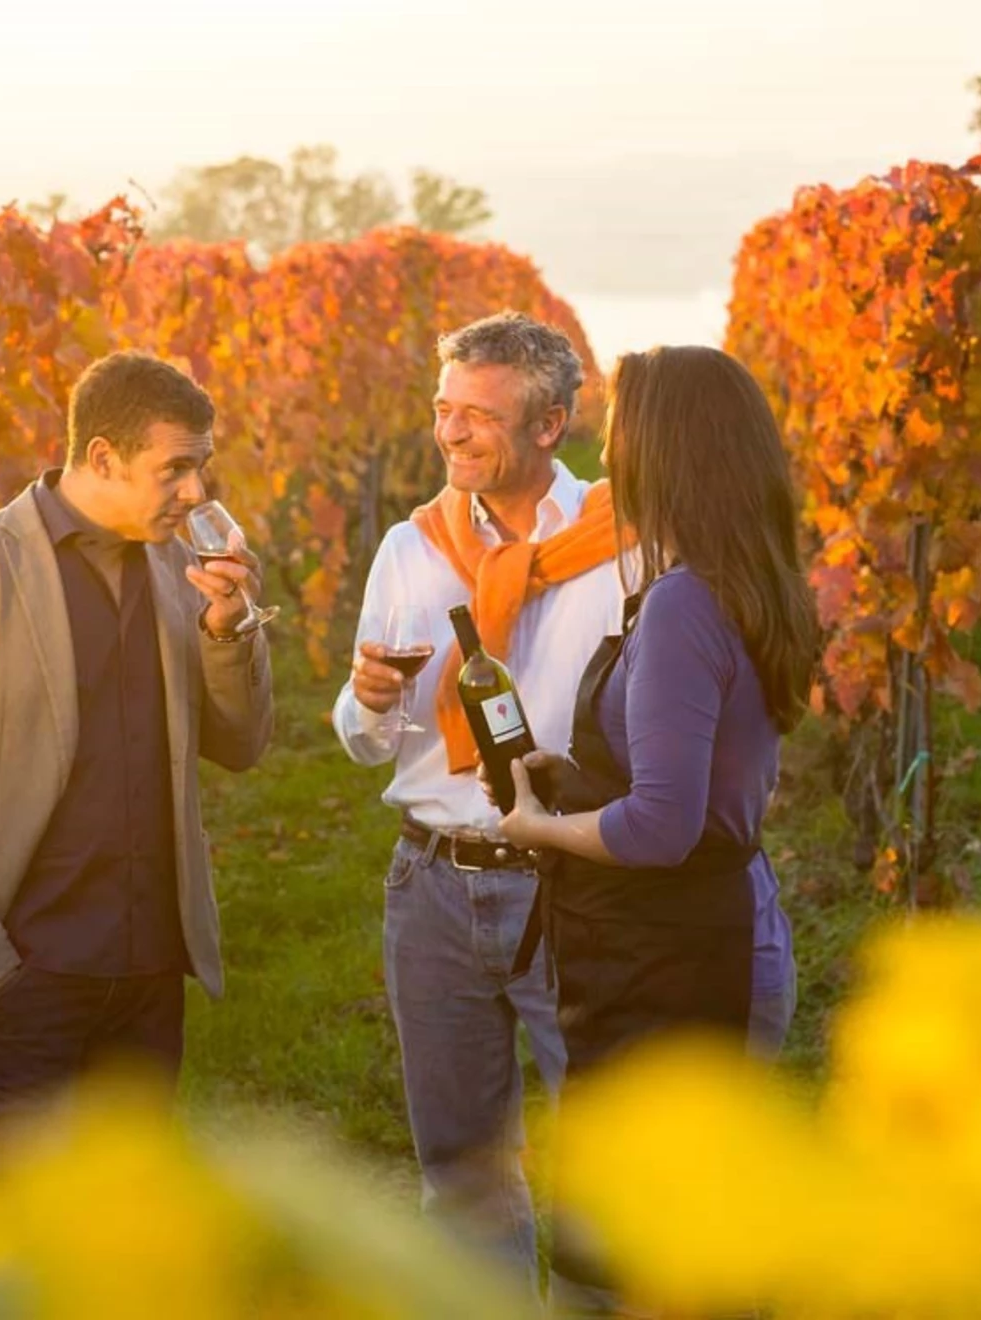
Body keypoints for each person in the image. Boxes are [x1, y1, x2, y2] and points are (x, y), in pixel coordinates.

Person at [0, 350, 274, 1154]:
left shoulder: (184, 570)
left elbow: (241, 745)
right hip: (24, 976)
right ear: (102, 456)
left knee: (119, 1215)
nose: (197, 491)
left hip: (150, 975)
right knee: (4, 1216)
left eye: (202, 466)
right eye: (176, 468)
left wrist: (229, 629)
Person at [494, 344, 817, 1310]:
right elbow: (710, 775)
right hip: (714, 930)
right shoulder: (744, 580)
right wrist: (582, 779)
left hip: (678, 960)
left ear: (665, 451)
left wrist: (540, 827)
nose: (606, 451)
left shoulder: (681, 604)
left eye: (619, 433)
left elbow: (661, 828)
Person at [333, 312, 626, 1291]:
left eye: (479, 416)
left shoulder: (620, 543)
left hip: (574, 883)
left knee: (601, 1164)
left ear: (549, 425)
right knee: (461, 1171)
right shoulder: (411, 547)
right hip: (433, 884)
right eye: (442, 409)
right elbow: (365, 739)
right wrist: (369, 700)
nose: (450, 433)